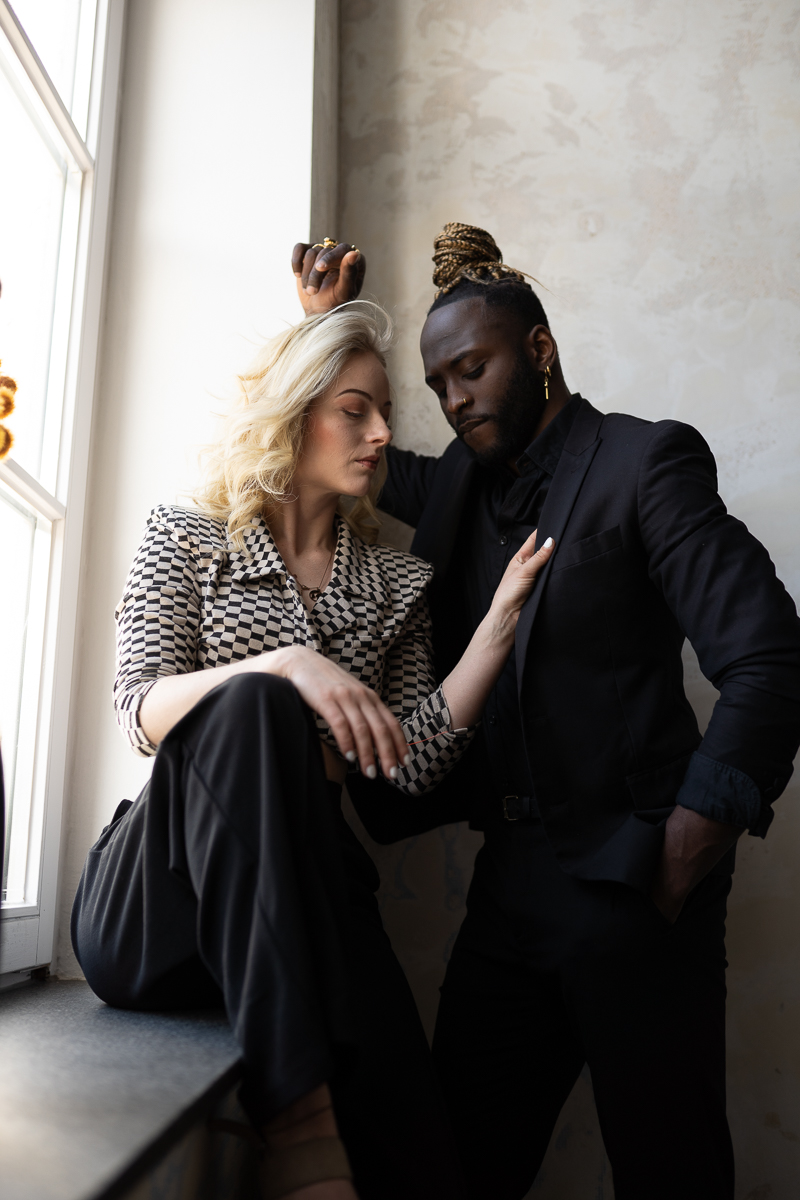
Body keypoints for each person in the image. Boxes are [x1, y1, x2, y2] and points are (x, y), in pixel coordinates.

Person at [293, 225, 800, 1200]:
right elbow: (349, 441)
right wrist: (322, 324)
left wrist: (685, 848)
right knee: (449, 1173)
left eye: (472, 370)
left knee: (671, 1176)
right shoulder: (453, 483)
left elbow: (769, 654)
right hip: (508, 896)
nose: (454, 398)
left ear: (538, 349)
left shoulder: (644, 461)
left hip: (636, 881)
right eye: (438, 383)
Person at [71, 302, 554, 1200]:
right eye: (354, 411)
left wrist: (496, 629)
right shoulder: (185, 535)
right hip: (158, 901)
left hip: (318, 895)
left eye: (385, 415)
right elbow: (139, 708)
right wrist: (284, 667)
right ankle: (295, 1119)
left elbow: (406, 765)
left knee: (426, 1165)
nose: (382, 435)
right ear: (295, 413)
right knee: (256, 701)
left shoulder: (398, 583)